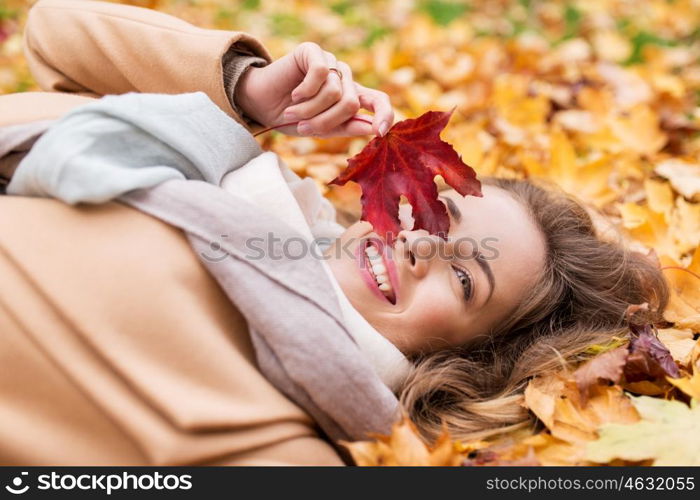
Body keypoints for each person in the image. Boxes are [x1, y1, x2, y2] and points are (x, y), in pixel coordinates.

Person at [0, 0, 669, 465]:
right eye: (438, 214)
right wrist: (248, 89)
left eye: (465, 278)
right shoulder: (229, 167)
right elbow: (55, 32)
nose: (421, 243)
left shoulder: (277, 437)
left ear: (465, 361)